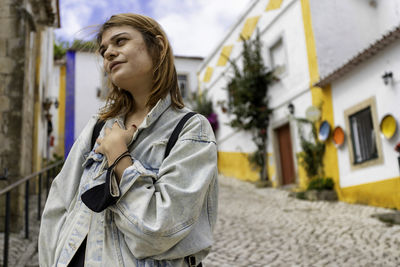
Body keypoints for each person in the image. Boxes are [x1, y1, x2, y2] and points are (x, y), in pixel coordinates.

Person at [38, 13, 218, 267]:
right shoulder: (98, 125)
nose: (108, 53)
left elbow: (158, 231)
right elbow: (58, 206)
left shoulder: (190, 129)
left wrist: (119, 157)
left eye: (120, 42)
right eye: (103, 50)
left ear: (159, 46)